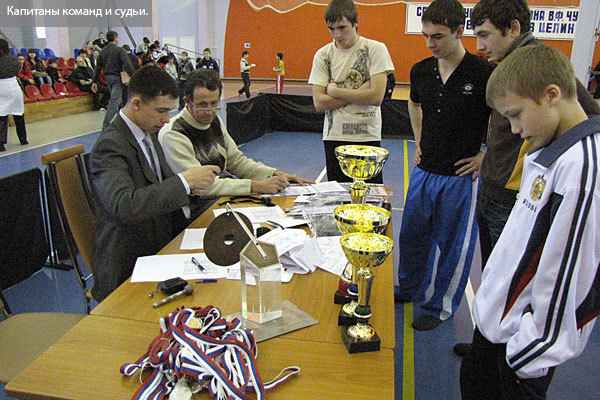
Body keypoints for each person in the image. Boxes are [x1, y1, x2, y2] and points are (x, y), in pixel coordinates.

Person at [453, 0, 600, 356]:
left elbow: (585, 116)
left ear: (514, 29)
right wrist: (487, 155)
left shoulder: (539, 69)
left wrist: (547, 173)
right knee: (496, 275)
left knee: (515, 283)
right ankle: (486, 344)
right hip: (495, 189)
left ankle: (501, 351)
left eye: (485, 34)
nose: (480, 45)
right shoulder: (505, 72)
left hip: (518, 197)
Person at [394, 0, 494, 331]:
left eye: (437, 36)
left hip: (461, 178)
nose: (430, 44)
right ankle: (410, 289)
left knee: (454, 248)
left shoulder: (483, 74)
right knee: (412, 237)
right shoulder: (421, 70)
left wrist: (485, 154)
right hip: (424, 172)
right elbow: (414, 104)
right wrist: (419, 141)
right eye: (426, 36)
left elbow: (505, 118)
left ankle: (441, 306)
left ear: (459, 31)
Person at [89, 65, 220, 302]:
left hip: (161, 244)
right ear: (137, 103)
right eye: (161, 111)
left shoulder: (148, 133)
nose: (166, 119)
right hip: (128, 261)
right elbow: (123, 206)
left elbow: (161, 187)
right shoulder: (110, 146)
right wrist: (184, 182)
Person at [159, 69, 313, 223]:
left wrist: (274, 174)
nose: (209, 111)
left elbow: (237, 162)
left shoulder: (214, 121)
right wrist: (255, 186)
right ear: (187, 101)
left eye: (214, 104)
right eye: (202, 105)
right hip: (197, 209)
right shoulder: (174, 133)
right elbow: (200, 186)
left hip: (223, 198)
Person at [308, 0, 394, 183]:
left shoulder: (376, 49)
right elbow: (319, 103)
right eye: (331, 29)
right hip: (334, 136)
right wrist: (360, 92)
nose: (337, 35)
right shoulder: (323, 55)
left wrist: (335, 91)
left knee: (370, 196)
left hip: (367, 135)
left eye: (342, 27)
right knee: (338, 195)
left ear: (356, 22)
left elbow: (376, 97)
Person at [93, 30, 135, 130]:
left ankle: (125, 123)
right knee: (114, 102)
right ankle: (106, 126)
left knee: (119, 101)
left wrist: (94, 81)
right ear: (116, 38)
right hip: (117, 77)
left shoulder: (103, 51)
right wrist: (134, 76)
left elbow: (98, 67)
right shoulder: (119, 50)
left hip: (108, 78)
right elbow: (127, 64)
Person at [0, 39, 27, 151]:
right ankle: (23, 139)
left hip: (2, 87)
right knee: (19, 114)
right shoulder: (12, 59)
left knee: (1, 116)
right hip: (14, 86)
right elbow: (17, 69)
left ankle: (1, 143)